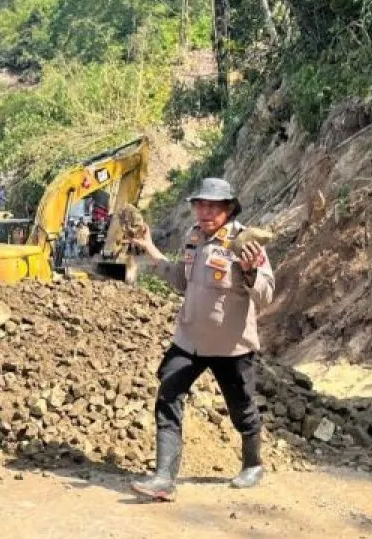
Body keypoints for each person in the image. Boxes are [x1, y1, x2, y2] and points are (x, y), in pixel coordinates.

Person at [125, 178, 275, 502]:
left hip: (231, 346)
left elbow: (266, 294)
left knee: (241, 408)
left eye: (213, 206)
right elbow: (180, 281)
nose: (205, 212)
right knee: (168, 395)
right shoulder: (193, 237)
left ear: (228, 208)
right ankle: (164, 478)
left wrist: (249, 272)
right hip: (189, 339)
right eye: (200, 205)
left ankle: (253, 464)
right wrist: (149, 247)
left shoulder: (245, 243)